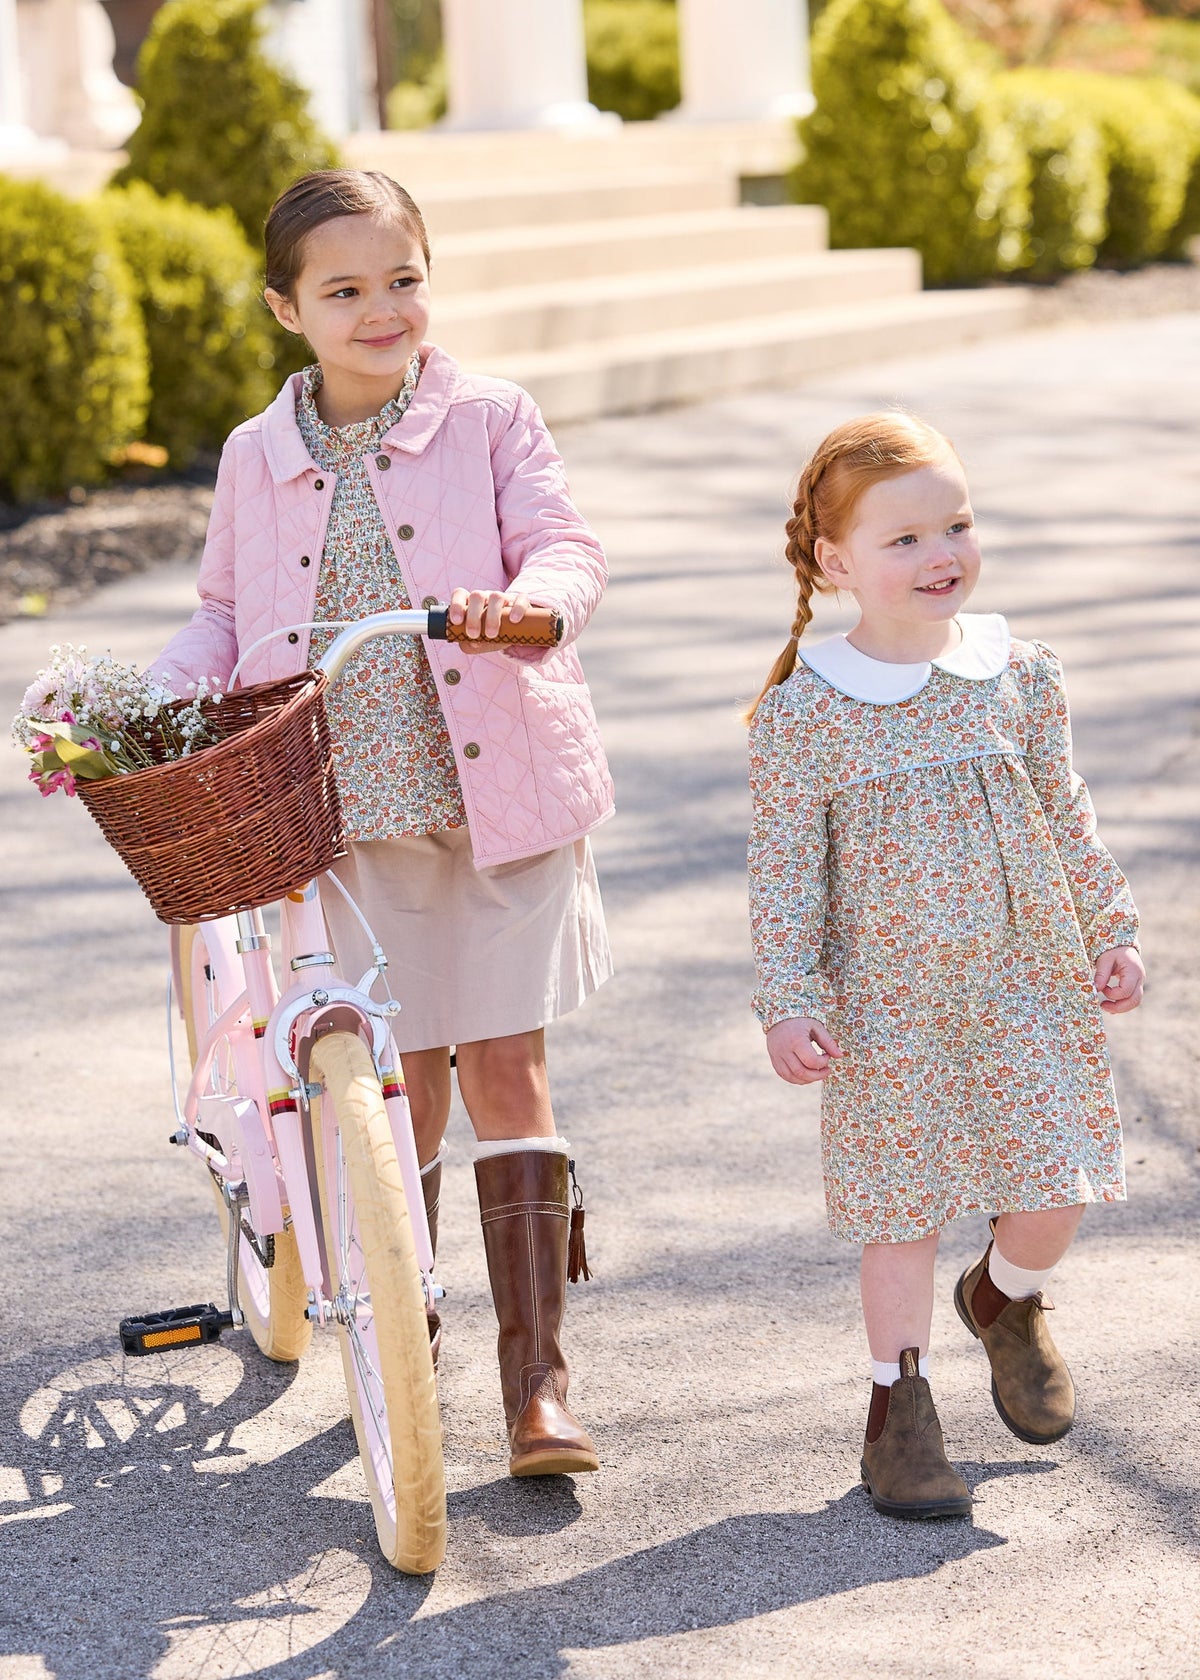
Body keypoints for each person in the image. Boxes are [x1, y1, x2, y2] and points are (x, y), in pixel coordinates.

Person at [147, 169, 615, 1479]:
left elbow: (567, 544)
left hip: (499, 801)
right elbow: (222, 616)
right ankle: (405, 1337)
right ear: (285, 309)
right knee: (400, 1090)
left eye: (402, 280)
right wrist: (150, 699)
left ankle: (538, 1386)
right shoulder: (256, 456)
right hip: (349, 818)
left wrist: (533, 603)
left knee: (509, 1066)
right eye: (344, 289)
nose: (380, 310)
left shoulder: (491, 418)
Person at [745, 412, 1144, 1520]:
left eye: (956, 526)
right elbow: (785, 873)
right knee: (902, 1213)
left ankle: (1004, 1296)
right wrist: (789, 1001)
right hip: (887, 1007)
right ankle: (900, 1411)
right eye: (905, 539)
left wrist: (1111, 929)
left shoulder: (1020, 673)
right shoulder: (806, 710)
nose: (941, 555)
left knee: (1055, 1189)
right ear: (835, 563)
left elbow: (1067, 815)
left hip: (1028, 984)